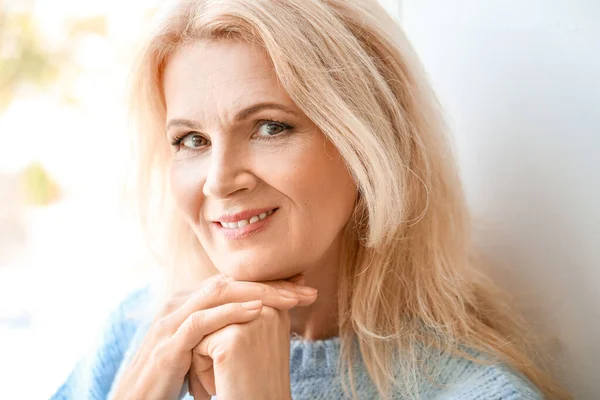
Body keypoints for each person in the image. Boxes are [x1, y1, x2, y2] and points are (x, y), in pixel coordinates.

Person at [51, 0, 570, 399]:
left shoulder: (477, 391)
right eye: (192, 140)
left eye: (270, 127)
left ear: (368, 143)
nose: (218, 180)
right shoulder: (134, 335)